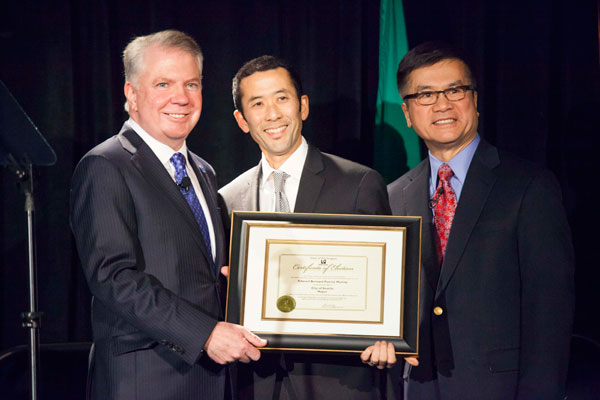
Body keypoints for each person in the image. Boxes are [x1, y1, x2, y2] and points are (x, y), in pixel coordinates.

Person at [70, 30, 266, 400]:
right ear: (131, 94)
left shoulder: (203, 171)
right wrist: (205, 334)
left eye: (191, 84)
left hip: (213, 378)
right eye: (163, 83)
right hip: (146, 380)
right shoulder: (105, 165)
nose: (181, 97)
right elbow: (114, 277)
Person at [385, 42, 574, 399]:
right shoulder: (394, 196)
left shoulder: (528, 186)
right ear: (407, 113)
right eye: (425, 94)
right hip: (419, 388)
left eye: (455, 90)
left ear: (474, 100)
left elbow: (549, 313)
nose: (442, 104)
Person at [218, 55, 396, 399]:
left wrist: (388, 333)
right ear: (242, 120)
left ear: (303, 106)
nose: (272, 114)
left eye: (282, 98)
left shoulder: (358, 183)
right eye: (258, 103)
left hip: (340, 379)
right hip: (256, 382)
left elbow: (389, 278)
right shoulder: (227, 199)